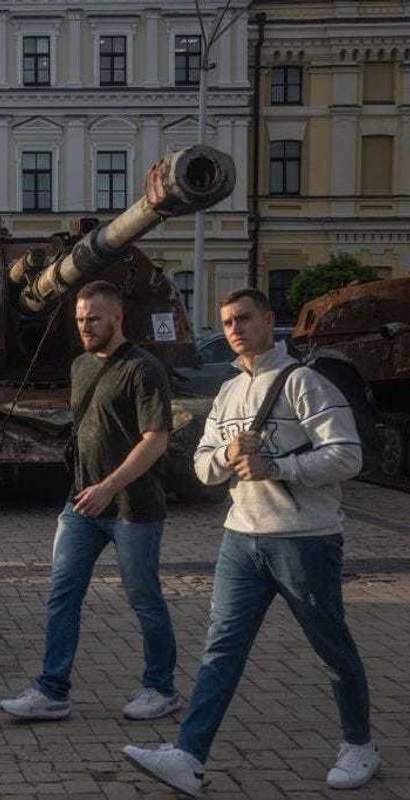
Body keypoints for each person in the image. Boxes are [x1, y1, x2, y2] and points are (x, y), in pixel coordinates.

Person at [124, 288, 377, 796]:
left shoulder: (305, 383)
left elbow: (348, 456)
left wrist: (277, 465)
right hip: (241, 539)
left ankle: (359, 745)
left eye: (244, 318)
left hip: (304, 540)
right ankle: (188, 757)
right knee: (220, 650)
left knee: (331, 648)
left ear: (268, 320)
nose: (235, 328)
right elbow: (202, 467)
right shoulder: (227, 391)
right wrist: (228, 456)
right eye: (227, 321)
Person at [0, 280, 180, 723]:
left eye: (93, 318)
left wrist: (109, 487)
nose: (85, 326)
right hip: (81, 505)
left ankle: (161, 688)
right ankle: (52, 690)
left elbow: (156, 439)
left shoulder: (143, 369)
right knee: (63, 593)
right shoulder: (80, 365)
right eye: (80, 319)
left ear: (117, 318)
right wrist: (84, 487)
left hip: (132, 507)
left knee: (143, 596)